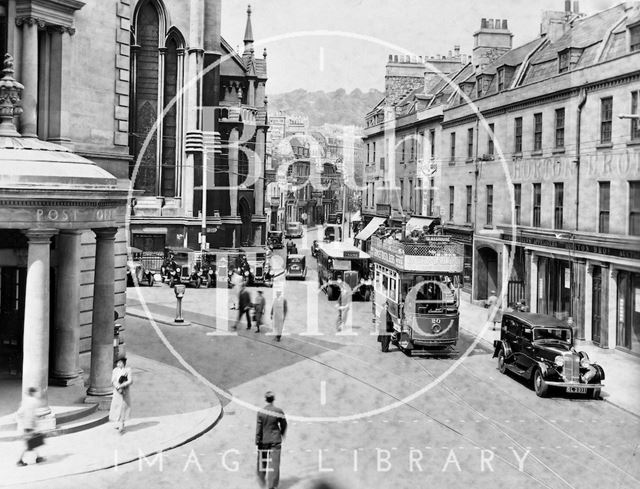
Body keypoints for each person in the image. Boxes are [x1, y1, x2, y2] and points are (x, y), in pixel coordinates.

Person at [256, 391, 287, 489]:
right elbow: (284, 424)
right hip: (275, 440)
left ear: (266, 399)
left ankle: (262, 482)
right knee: (275, 463)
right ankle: (272, 486)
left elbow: (259, 428)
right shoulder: (278, 411)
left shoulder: (261, 412)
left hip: (263, 441)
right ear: (273, 399)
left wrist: (257, 440)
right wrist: (281, 434)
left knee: (262, 462)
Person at [16, 387, 45, 466]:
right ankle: (19, 460)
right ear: (33, 393)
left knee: (32, 442)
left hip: (26, 425)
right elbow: (32, 415)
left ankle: (38, 457)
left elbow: (20, 412)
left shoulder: (25, 401)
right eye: (36, 392)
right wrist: (35, 426)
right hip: (29, 425)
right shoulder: (33, 401)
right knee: (29, 444)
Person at [109, 357, 133, 433]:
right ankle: (117, 421)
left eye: (120, 362)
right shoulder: (115, 370)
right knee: (116, 406)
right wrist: (117, 386)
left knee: (124, 407)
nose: (119, 364)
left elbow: (130, 381)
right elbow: (113, 380)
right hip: (117, 391)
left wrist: (122, 385)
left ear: (124, 363)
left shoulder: (128, 370)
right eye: (118, 363)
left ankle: (122, 423)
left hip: (125, 390)